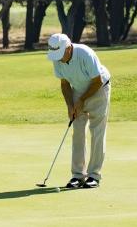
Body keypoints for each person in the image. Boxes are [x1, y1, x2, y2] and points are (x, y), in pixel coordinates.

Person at [46, 32, 111, 189]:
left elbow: (97, 81)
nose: (59, 58)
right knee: (78, 131)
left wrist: (81, 100)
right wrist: (70, 105)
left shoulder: (85, 53)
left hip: (99, 89)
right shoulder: (57, 58)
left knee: (97, 130)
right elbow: (65, 84)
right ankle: (77, 175)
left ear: (68, 47)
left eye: (61, 53)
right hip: (78, 90)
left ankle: (94, 175)